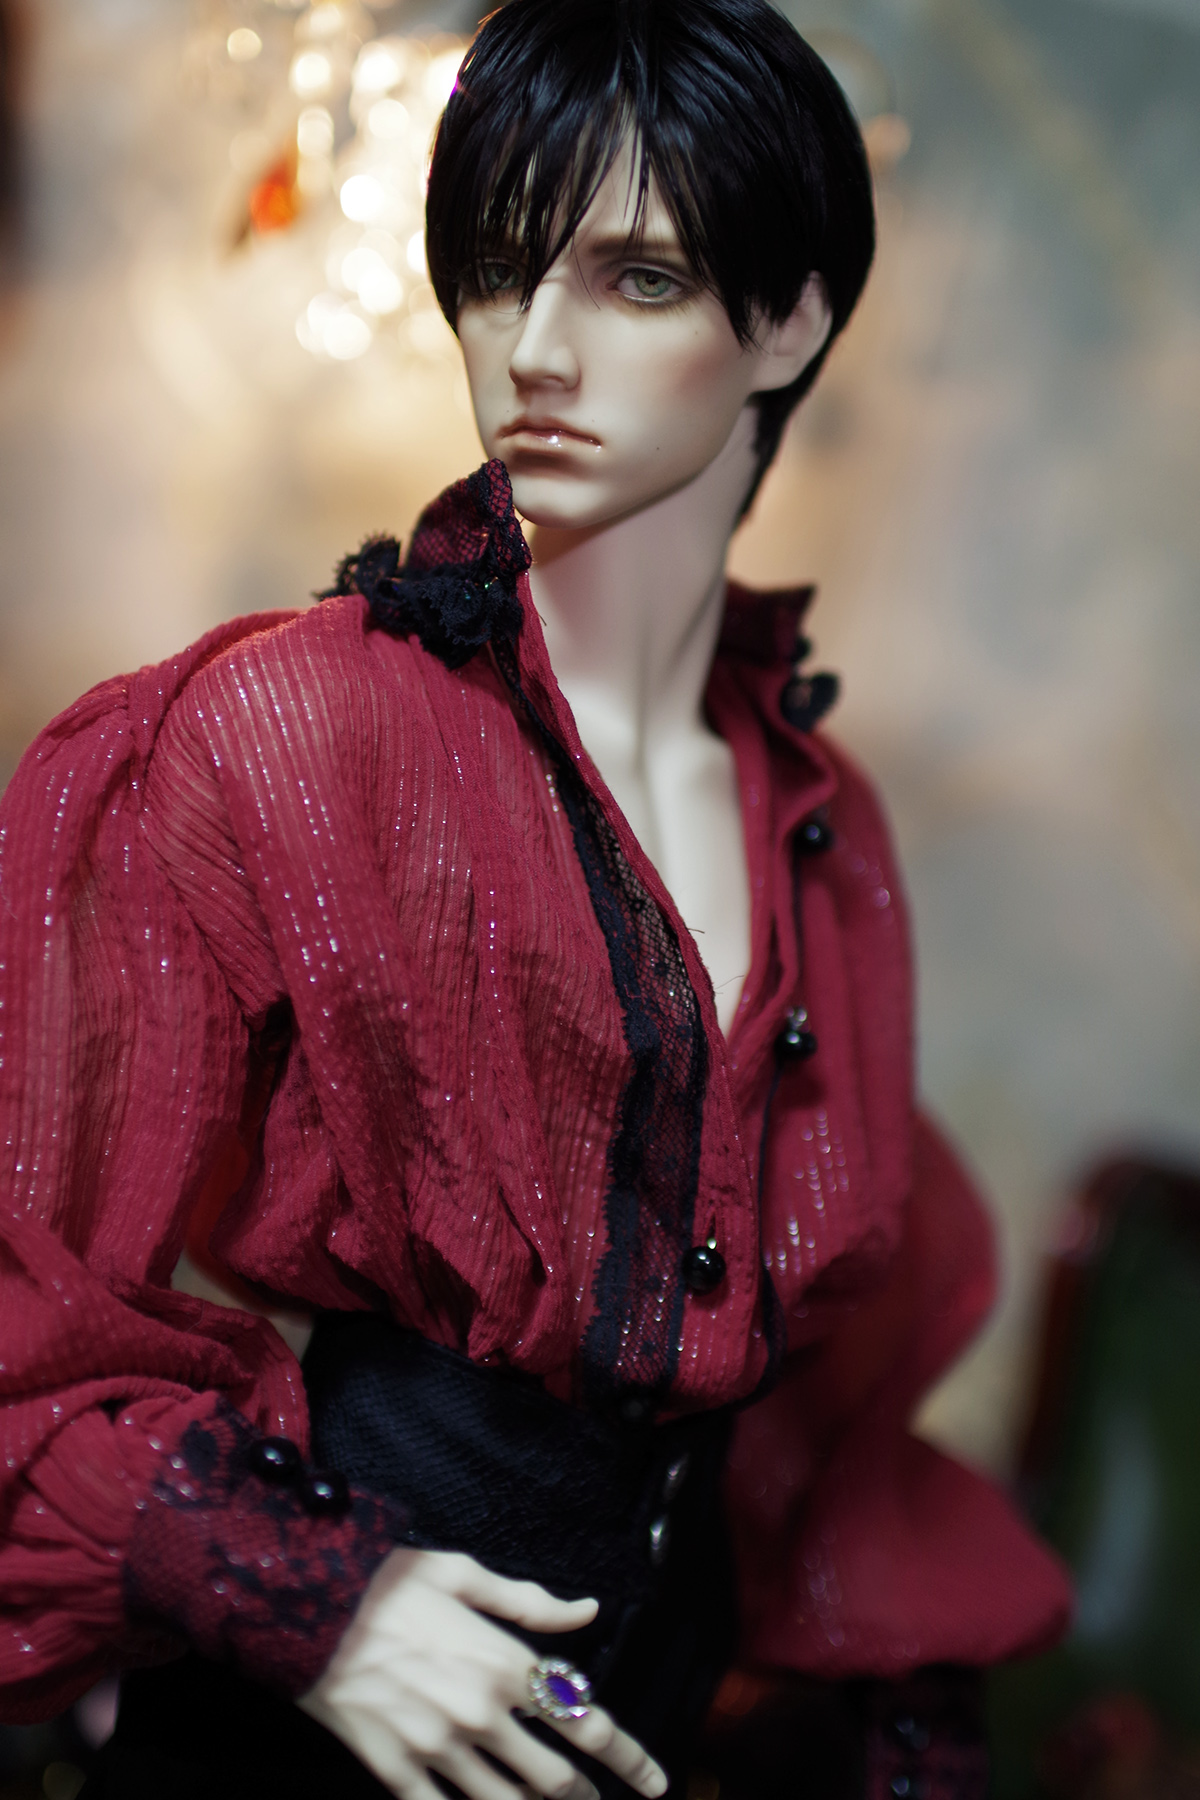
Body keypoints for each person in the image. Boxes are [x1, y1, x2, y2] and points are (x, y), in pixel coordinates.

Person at [0, 1, 1070, 1796]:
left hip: (638, 1736)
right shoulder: (287, 729)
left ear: (792, 319)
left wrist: (915, 1727)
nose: (536, 352)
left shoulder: (824, 824)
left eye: (637, 280)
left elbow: (825, 1414)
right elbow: (22, 1295)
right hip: (309, 1747)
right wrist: (316, 1600)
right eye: (497, 274)